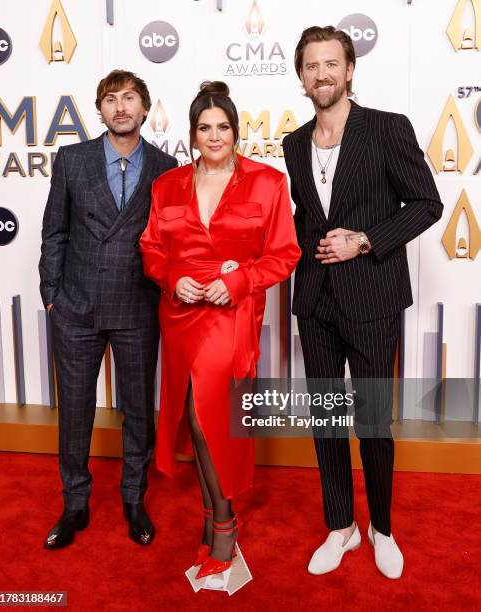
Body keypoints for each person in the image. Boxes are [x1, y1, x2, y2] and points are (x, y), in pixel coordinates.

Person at [283, 27, 443, 579]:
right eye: (312, 65)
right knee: (326, 422)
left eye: (332, 64)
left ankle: (382, 528)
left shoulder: (386, 129)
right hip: (316, 302)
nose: (322, 74)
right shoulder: (293, 142)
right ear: (301, 75)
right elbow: (307, 220)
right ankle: (340, 525)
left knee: (373, 421)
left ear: (350, 69)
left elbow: (428, 202)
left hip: (373, 299)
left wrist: (366, 239)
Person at [140, 81, 300, 579]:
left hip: (230, 315)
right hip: (180, 313)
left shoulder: (267, 183)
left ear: (236, 132)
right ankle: (214, 518)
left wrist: (239, 281)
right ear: (192, 135)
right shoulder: (167, 185)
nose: (214, 137)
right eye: (204, 128)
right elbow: (151, 247)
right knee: (192, 413)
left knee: (209, 416)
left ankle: (224, 525)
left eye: (223, 127)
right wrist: (172, 278)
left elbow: (284, 254)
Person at [39, 69, 177, 549]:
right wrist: (51, 295)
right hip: (74, 307)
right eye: (111, 99)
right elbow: (54, 231)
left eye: (130, 98)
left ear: (145, 107)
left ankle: (133, 499)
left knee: (138, 410)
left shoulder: (166, 166)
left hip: (138, 306)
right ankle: (75, 503)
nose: (120, 107)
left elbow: (172, 238)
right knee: (75, 412)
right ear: (99, 109)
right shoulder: (71, 160)